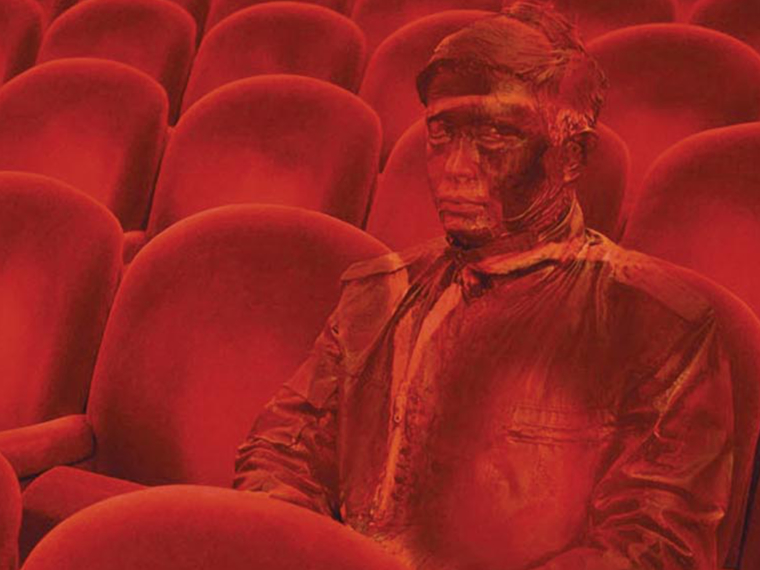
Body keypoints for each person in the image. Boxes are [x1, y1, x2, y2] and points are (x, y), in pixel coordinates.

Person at [234, 3, 734, 569]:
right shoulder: (379, 296)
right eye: (441, 133)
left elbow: (655, 547)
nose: (456, 167)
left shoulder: (657, 328)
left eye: (496, 134)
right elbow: (281, 451)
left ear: (572, 155)